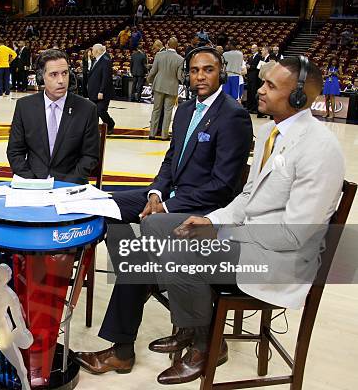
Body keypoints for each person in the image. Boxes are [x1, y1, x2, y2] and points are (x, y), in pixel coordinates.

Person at [141, 57, 344, 384]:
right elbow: (248, 198)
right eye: (263, 83)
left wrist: (228, 237)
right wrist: (212, 220)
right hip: (248, 238)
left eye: (270, 86)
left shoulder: (321, 148)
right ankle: (191, 323)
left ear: (297, 97)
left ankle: (207, 344)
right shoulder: (268, 132)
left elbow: (296, 234)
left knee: (181, 252)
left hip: (279, 257)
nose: (259, 90)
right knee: (157, 227)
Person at [73, 47, 253, 377]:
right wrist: (156, 192)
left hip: (202, 211)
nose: (200, 76)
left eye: (208, 70)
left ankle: (122, 348)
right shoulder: (185, 110)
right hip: (169, 197)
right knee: (105, 205)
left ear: (221, 73)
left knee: (138, 256)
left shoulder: (233, 116)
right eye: (195, 70)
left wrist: (166, 206)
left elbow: (223, 186)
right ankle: (129, 264)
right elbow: (171, 161)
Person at [7, 49, 100, 184]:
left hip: (70, 186)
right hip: (32, 184)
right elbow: (15, 152)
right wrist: (32, 183)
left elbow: (90, 156)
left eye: (64, 73)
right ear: (41, 77)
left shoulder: (87, 109)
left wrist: (66, 185)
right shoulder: (24, 106)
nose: (61, 80)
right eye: (54, 75)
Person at [146, 37, 183, 140]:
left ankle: (152, 134)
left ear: (167, 44)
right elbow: (180, 77)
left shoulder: (159, 55)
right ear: (177, 46)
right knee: (168, 112)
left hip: (159, 86)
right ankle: (164, 135)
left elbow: (153, 71)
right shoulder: (180, 59)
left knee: (156, 110)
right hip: (172, 87)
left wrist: (148, 80)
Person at [88, 43, 115, 135]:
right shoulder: (95, 60)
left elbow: (106, 78)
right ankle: (94, 129)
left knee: (101, 110)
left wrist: (101, 91)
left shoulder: (105, 60)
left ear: (97, 51)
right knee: (94, 112)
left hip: (102, 92)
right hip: (94, 91)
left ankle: (110, 124)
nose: (91, 52)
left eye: (93, 50)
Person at [246, 44, 262, 114]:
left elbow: (257, 66)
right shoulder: (251, 56)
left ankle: (254, 108)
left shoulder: (259, 56)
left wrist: (250, 66)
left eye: (253, 48)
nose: (252, 49)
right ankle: (249, 107)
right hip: (249, 76)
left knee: (253, 92)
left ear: (257, 49)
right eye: (251, 48)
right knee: (249, 92)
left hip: (255, 77)